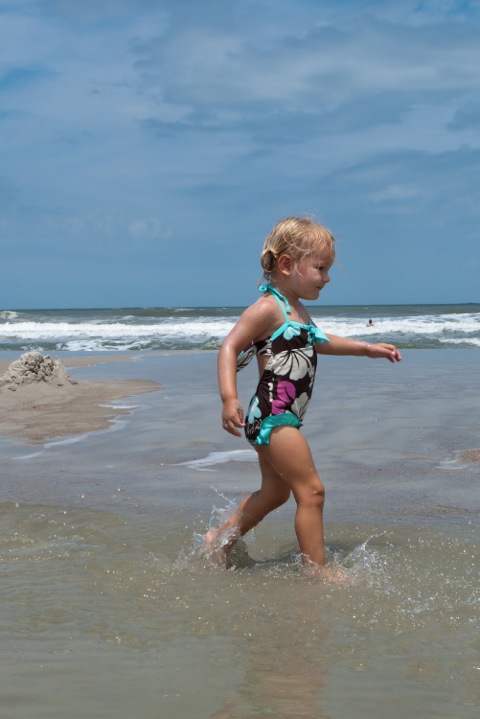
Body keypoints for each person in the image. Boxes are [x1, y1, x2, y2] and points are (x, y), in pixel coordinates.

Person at [204, 217, 401, 576]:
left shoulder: (296, 309)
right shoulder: (269, 307)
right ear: (286, 264)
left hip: (280, 417)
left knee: (275, 493)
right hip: (274, 416)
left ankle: (219, 538)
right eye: (321, 268)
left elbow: (321, 341)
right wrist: (227, 398)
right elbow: (229, 346)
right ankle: (317, 569)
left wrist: (366, 348)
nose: (327, 278)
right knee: (312, 492)